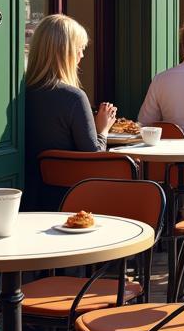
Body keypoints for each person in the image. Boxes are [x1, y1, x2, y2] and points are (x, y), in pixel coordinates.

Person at [24, 14, 116, 211]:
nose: (82, 55)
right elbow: (94, 156)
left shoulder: (23, 93)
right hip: (72, 199)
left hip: (31, 196)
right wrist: (103, 128)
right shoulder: (74, 97)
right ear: (64, 53)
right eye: (79, 49)